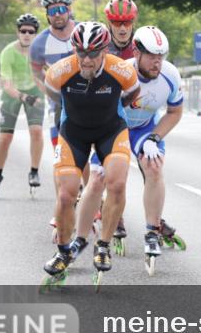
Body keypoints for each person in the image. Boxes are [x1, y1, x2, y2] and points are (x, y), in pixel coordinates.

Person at [69, 26, 185, 274]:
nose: (157, 62)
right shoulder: (119, 71)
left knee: (154, 167)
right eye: (152, 56)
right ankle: (80, 239)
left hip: (145, 128)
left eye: (161, 56)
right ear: (136, 52)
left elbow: (175, 112)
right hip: (114, 127)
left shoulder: (170, 75)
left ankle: (152, 232)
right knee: (99, 177)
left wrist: (155, 137)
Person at [40, 22, 140, 290]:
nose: (86, 59)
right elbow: (53, 95)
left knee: (117, 184)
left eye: (93, 53)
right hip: (74, 132)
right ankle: (63, 251)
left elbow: (131, 96)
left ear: (105, 50)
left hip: (111, 130)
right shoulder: (60, 71)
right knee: (65, 194)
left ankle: (104, 244)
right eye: (80, 52)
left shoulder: (122, 70)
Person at [74, 0, 140, 249]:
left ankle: (155, 218)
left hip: (133, 113)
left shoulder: (139, 44)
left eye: (127, 22)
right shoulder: (99, 45)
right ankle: (107, 211)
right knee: (102, 171)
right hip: (99, 115)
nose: (122, 28)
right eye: (116, 22)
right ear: (108, 22)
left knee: (149, 164)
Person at [0, 14, 46, 199]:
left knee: (36, 131)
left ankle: (34, 171)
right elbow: (7, 85)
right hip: (13, 94)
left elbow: (49, 74)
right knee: (5, 138)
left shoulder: (40, 51)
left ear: (36, 34)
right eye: (23, 31)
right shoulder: (8, 52)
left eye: (31, 32)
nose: (27, 34)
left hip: (35, 90)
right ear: (17, 32)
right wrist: (23, 97)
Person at [30, 0, 76, 149]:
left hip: (88, 101)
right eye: (52, 10)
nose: (57, 14)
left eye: (61, 9)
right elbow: (36, 73)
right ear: (47, 14)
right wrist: (52, 92)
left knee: (90, 155)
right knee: (59, 153)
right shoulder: (38, 44)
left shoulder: (83, 31)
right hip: (58, 106)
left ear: (69, 10)